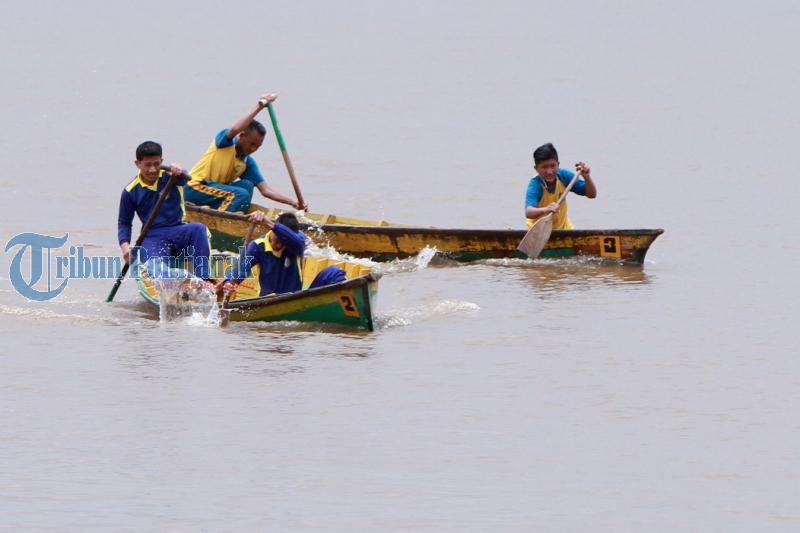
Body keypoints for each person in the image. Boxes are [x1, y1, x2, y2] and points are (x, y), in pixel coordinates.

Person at [185, 93, 309, 213]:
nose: (253, 149)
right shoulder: (225, 143)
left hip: (213, 192)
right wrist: (259, 107)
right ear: (242, 135)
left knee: (247, 185)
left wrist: (293, 202)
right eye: (252, 144)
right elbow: (235, 129)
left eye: (258, 146)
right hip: (194, 187)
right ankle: (223, 221)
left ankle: (227, 217)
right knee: (240, 194)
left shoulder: (247, 162)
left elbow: (266, 190)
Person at [118, 141, 211, 279]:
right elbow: (124, 223)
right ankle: (182, 278)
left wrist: (179, 169)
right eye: (147, 165)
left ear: (162, 161)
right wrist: (125, 249)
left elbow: (185, 177)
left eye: (156, 164)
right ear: (137, 164)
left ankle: (203, 279)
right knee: (156, 270)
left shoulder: (171, 177)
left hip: (178, 229)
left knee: (198, 229)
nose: (153, 170)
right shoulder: (130, 191)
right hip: (152, 235)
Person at [217, 212, 306, 297]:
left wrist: (272, 225)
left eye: (283, 242)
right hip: (266, 299)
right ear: (271, 232)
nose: (279, 245)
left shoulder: (297, 242)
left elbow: (298, 241)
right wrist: (229, 283)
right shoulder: (258, 246)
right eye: (277, 240)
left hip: (292, 297)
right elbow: (242, 268)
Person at [524, 142, 597, 229]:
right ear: (536, 169)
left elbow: (592, 195)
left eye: (553, 166)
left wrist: (587, 177)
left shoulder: (564, 176)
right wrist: (546, 209)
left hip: (564, 228)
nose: (549, 171)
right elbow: (529, 212)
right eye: (544, 167)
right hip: (538, 231)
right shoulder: (535, 184)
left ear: (558, 164)